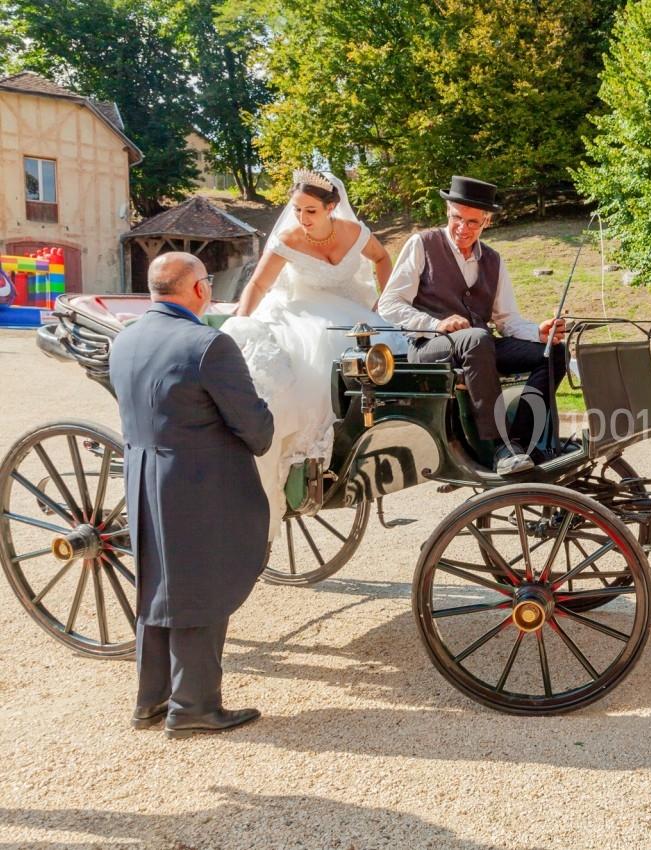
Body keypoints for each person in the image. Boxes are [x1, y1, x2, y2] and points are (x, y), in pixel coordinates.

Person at [109, 251, 274, 739]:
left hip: (143, 475)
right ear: (200, 289)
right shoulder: (209, 346)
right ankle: (194, 706)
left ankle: (151, 700)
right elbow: (256, 429)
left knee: (157, 585)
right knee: (200, 586)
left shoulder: (125, 339)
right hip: (200, 480)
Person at [222, 169, 406, 529]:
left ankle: (375, 431)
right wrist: (242, 320)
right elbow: (259, 284)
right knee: (321, 348)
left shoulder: (354, 232)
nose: (302, 219)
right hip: (300, 310)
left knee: (388, 346)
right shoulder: (289, 237)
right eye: (297, 210)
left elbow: (383, 260)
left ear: (331, 207)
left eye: (311, 211)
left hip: (351, 310)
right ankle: (310, 450)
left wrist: (383, 303)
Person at [378, 175, 566, 475]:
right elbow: (389, 303)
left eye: (472, 222)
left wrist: (538, 334)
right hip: (429, 347)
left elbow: (507, 320)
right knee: (477, 338)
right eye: (457, 218)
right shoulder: (422, 244)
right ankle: (498, 447)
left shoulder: (493, 260)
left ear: (486, 222)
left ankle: (520, 440)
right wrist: (434, 323)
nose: (462, 228)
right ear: (447, 212)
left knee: (554, 353)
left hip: (479, 346)